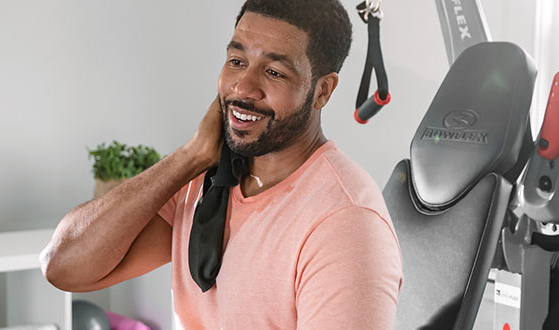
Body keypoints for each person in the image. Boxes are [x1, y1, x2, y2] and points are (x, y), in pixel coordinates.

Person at [38, 0, 403, 329]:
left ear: (322, 90)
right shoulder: (203, 181)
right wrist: (191, 155)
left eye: (274, 72)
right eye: (237, 62)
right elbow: (63, 266)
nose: (243, 87)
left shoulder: (345, 224)